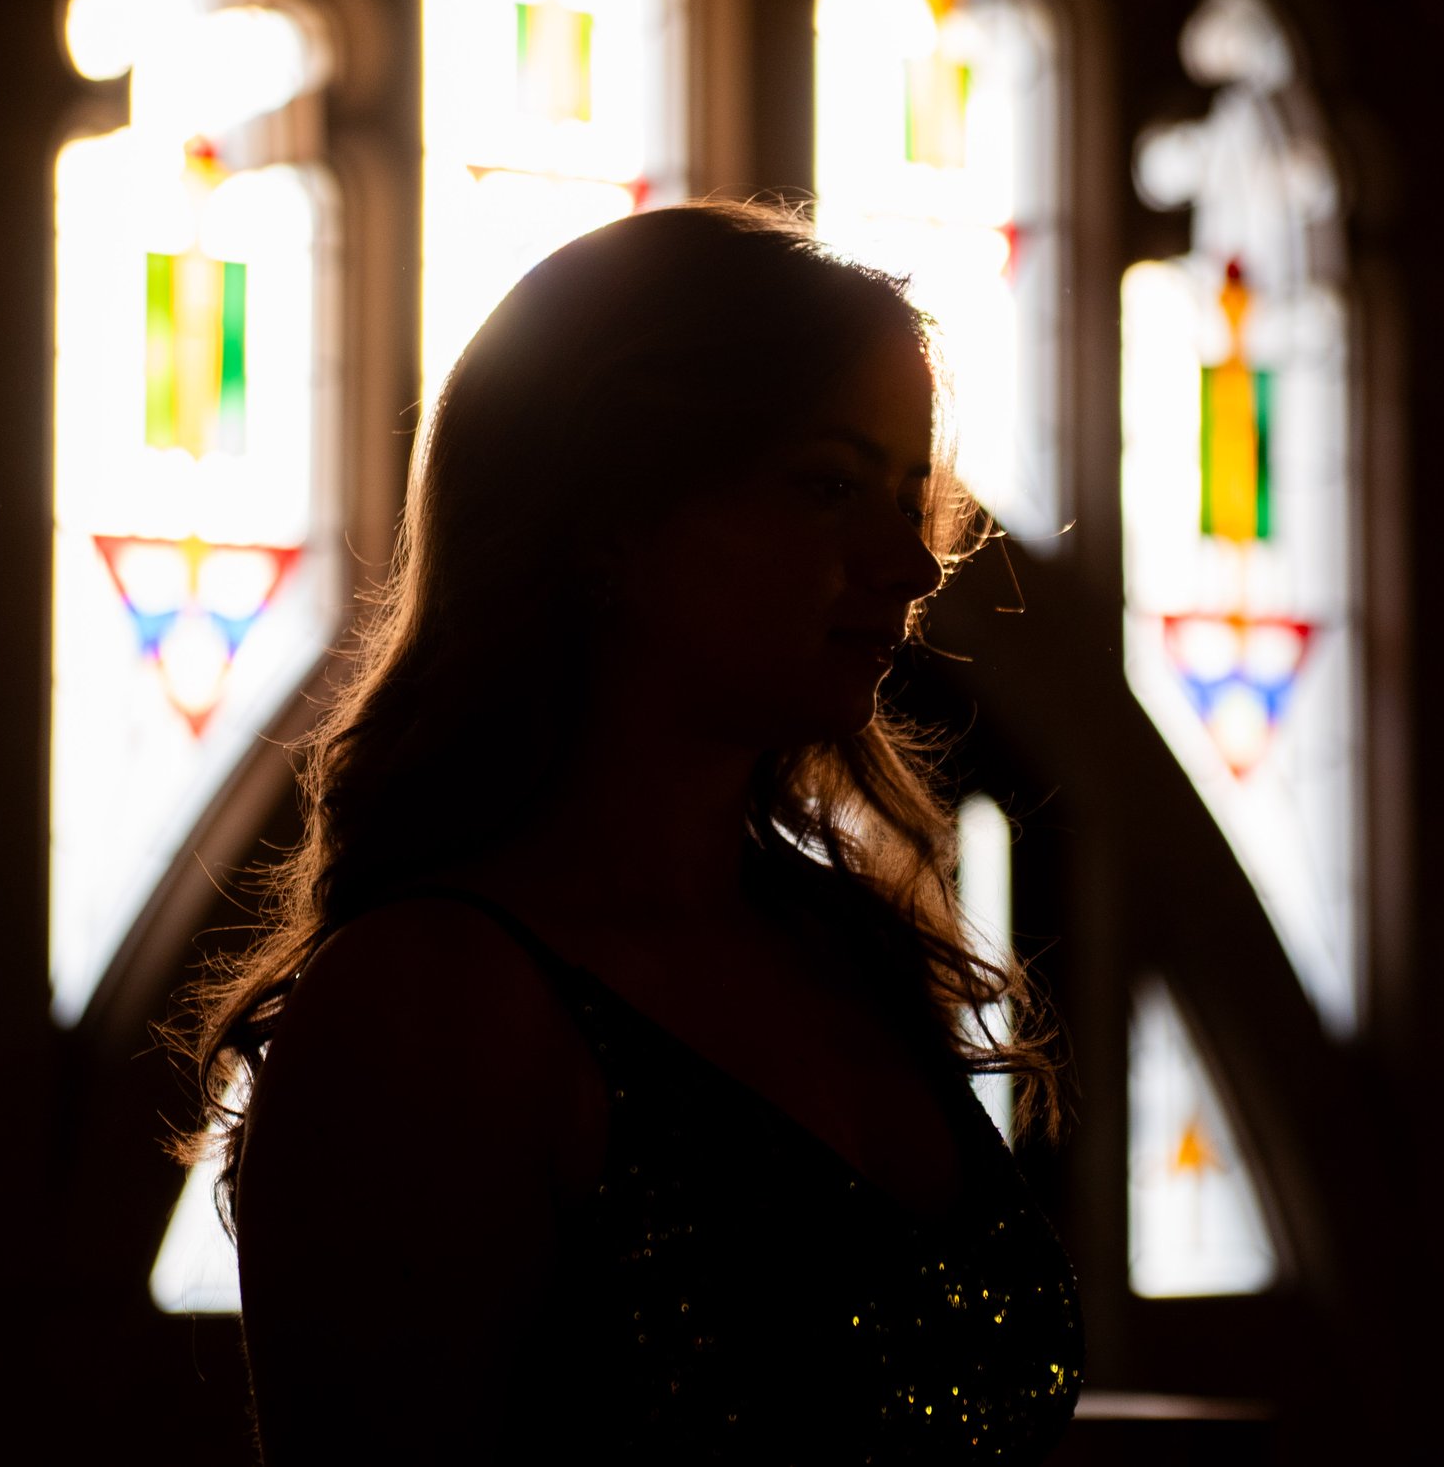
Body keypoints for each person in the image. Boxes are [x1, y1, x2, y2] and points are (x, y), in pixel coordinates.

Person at [182, 201, 1082, 1462]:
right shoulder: (430, 1005)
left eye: (904, 492)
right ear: (604, 516)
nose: (910, 563)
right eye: (826, 483)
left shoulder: (850, 950)